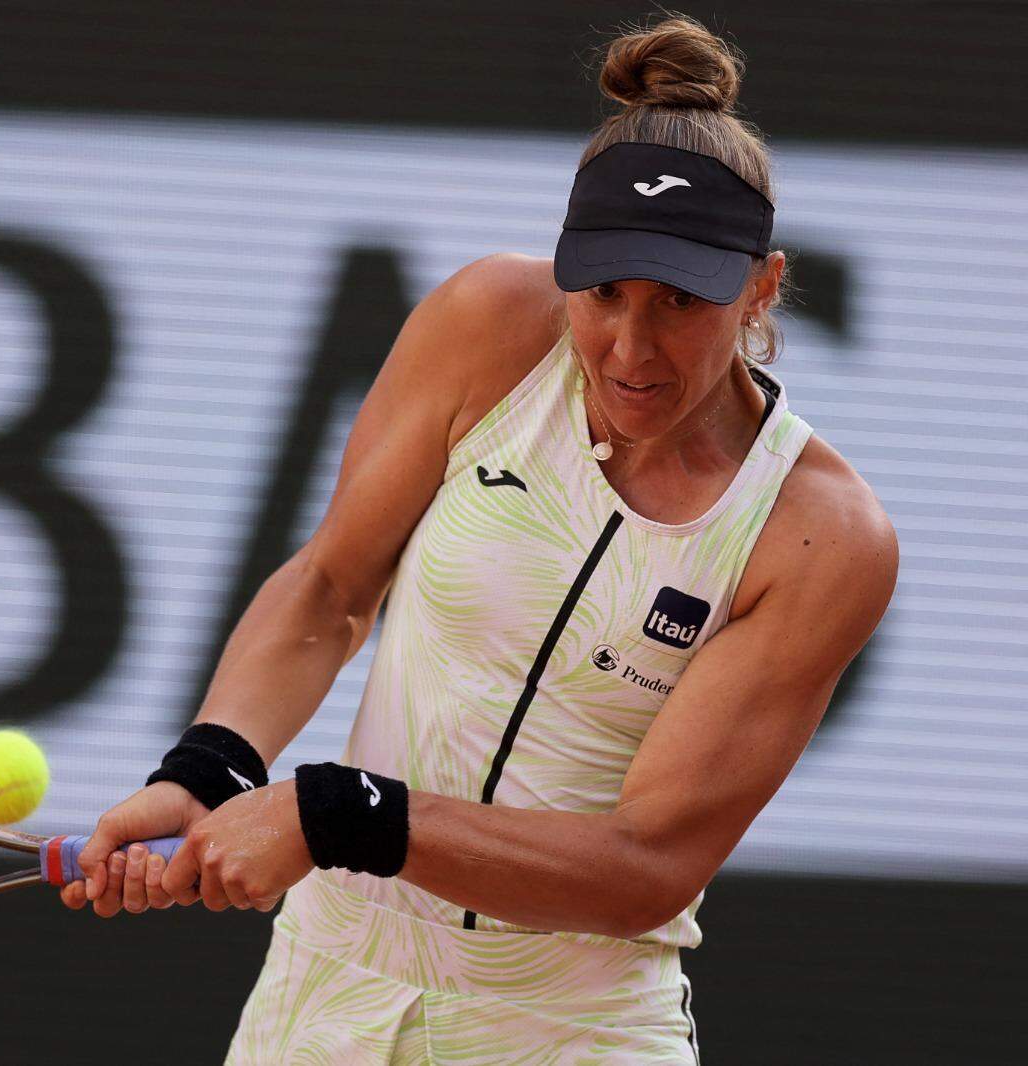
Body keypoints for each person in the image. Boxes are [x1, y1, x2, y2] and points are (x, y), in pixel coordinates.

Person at [60, 14, 898, 1064]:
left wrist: (338, 815)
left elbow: (645, 868)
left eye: (680, 302)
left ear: (761, 287)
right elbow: (329, 589)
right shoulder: (488, 324)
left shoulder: (822, 536)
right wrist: (210, 769)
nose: (630, 347)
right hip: (327, 995)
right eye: (601, 293)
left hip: (574, 1029)